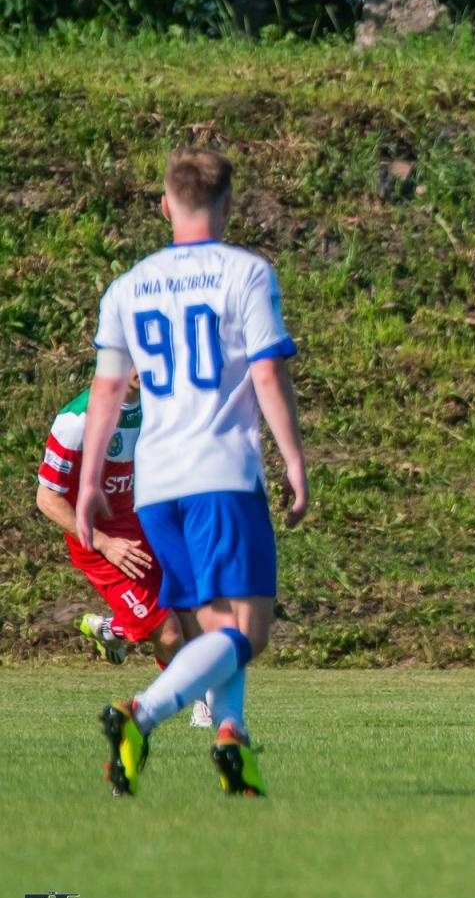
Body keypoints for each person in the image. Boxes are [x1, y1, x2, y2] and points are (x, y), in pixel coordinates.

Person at [78, 147, 308, 797]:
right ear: (229, 203)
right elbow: (266, 370)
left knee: (212, 623)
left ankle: (232, 739)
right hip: (220, 472)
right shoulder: (245, 272)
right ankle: (139, 714)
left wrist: (92, 479)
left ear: (165, 206)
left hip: (156, 483)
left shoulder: (128, 285)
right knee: (248, 630)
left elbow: (107, 388)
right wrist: (293, 458)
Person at [37, 376, 212, 725]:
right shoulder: (78, 420)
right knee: (169, 632)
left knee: (193, 610)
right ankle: (197, 705)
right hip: (101, 544)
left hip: (144, 525)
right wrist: (104, 542)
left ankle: (114, 629)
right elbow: (47, 498)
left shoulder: (157, 405)